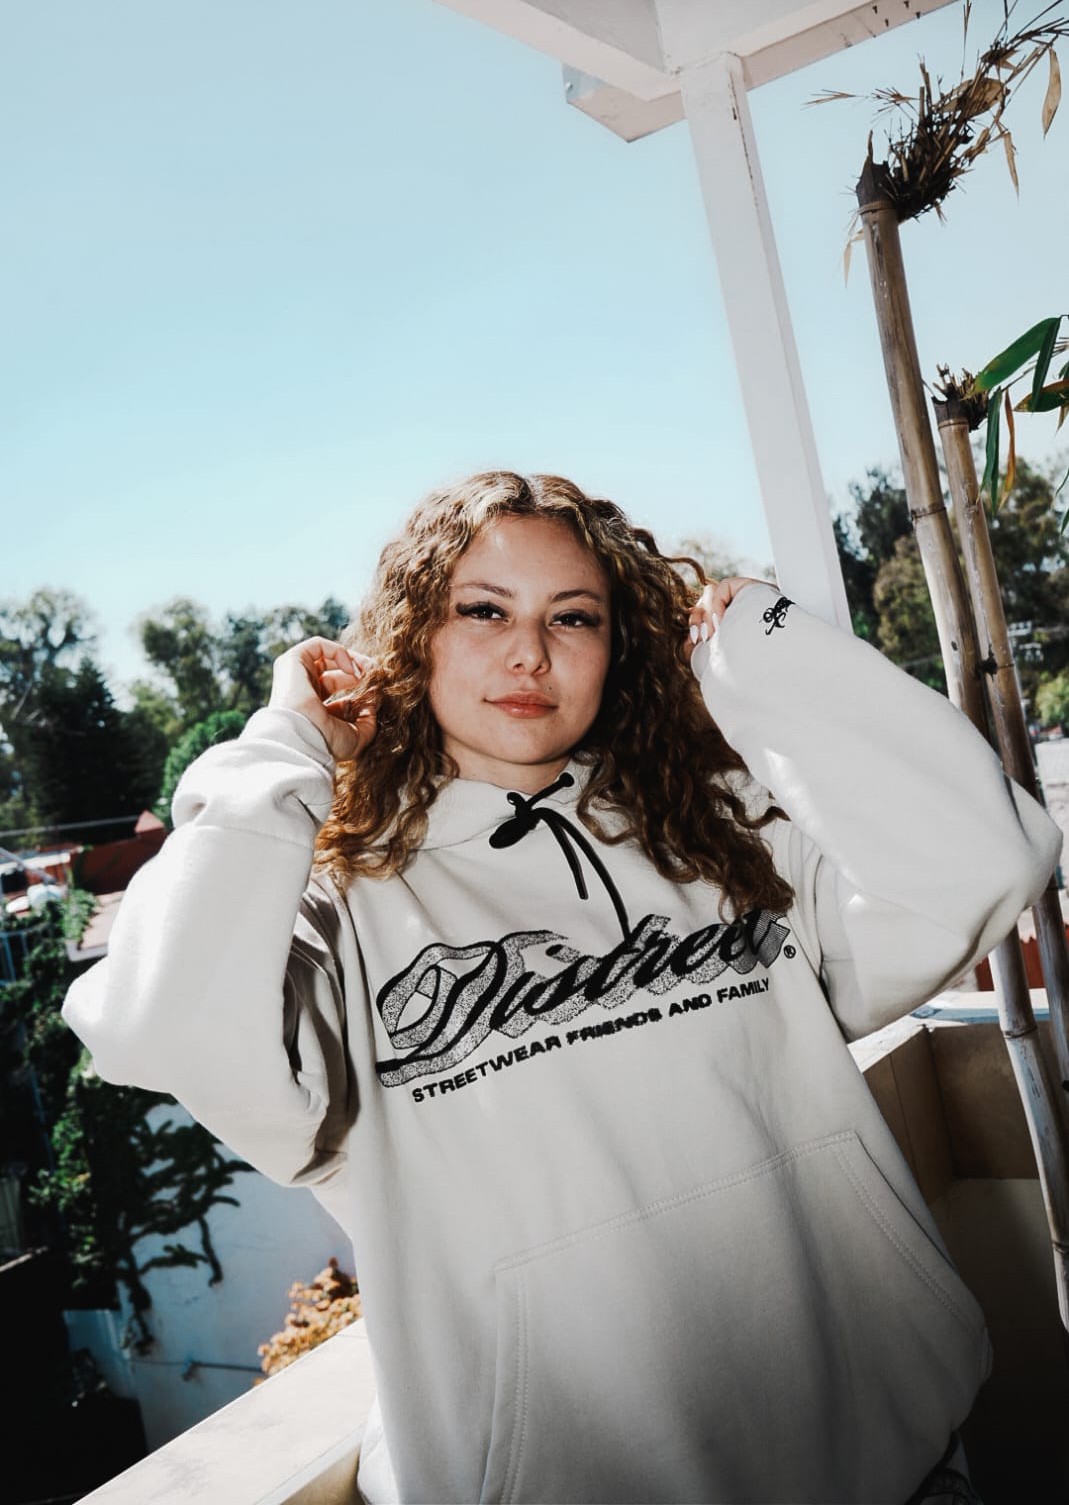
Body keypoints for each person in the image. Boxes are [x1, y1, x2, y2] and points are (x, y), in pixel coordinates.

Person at [63, 471, 1059, 1505]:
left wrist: (766, 654)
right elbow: (157, 1028)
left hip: (889, 1466)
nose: (529, 653)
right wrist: (288, 743)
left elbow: (987, 860)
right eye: (483, 610)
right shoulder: (337, 912)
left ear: (617, 645)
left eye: (572, 617)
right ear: (413, 638)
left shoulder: (724, 830)